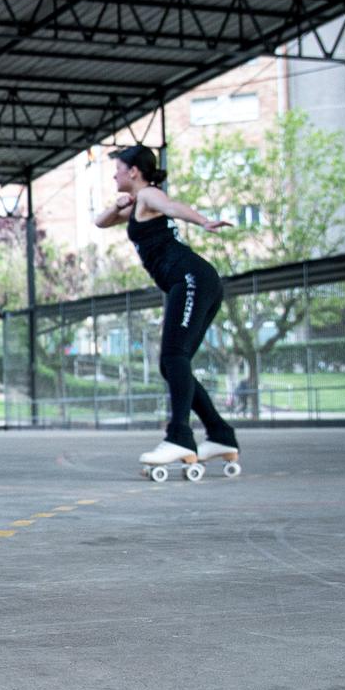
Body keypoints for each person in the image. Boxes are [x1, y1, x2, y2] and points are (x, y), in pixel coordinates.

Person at [94, 144, 241, 477]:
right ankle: (220, 434)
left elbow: (171, 206)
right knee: (172, 362)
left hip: (190, 279)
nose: (114, 175)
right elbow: (100, 222)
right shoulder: (134, 204)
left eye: (117, 169)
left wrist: (203, 221)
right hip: (193, 282)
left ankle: (180, 437)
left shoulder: (148, 195)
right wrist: (117, 204)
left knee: (174, 358)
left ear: (133, 171)